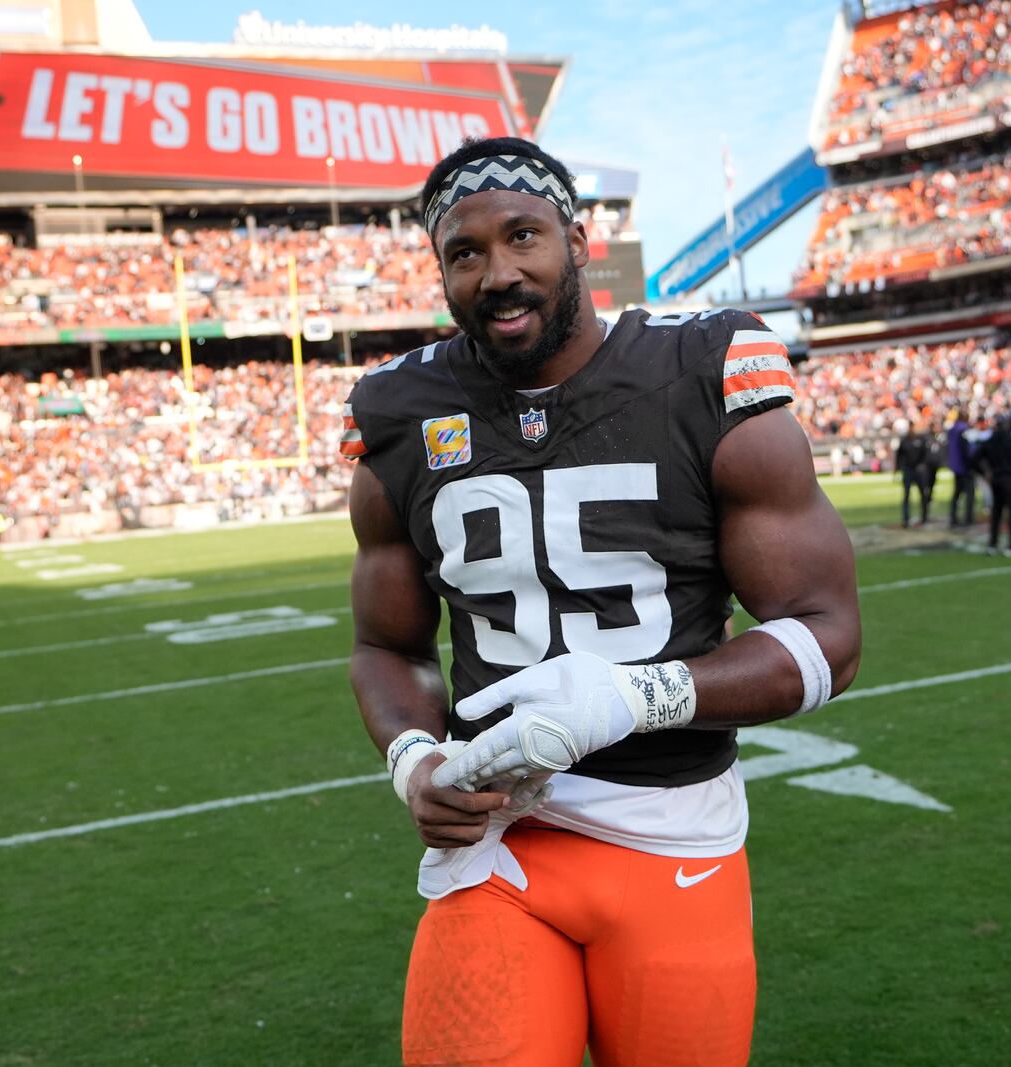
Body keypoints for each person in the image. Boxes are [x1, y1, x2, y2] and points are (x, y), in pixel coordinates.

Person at [343, 137, 862, 1067]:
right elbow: (386, 646)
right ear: (442, 271)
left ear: (577, 240)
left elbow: (828, 639)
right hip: (496, 846)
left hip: (671, 835)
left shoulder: (700, 371)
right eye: (465, 252)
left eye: (523, 237)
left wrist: (635, 696)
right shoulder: (401, 410)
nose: (499, 273)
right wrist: (414, 758)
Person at [972, 410, 1011, 555]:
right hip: (1010, 478)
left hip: (995, 479)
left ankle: (992, 544)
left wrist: (985, 473)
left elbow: (974, 459)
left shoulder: (990, 441)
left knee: (996, 513)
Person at [894, 419, 938, 527]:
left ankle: (924, 517)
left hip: (918, 470)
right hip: (908, 470)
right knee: (907, 495)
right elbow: (899, 456)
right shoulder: (904, 440)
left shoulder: (921, 439)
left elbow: (926, 454)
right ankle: (906, 519)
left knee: (923, 494)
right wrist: (897, 469)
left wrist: (922, 465)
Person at [946, 409, 976, 527]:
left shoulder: (952, 429)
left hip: (955, 465)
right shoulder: (963, 430)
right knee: (969, 493)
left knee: (956, 493)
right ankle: (968, 518)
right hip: (965, 466)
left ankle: (953, 517)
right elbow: (967, 450)